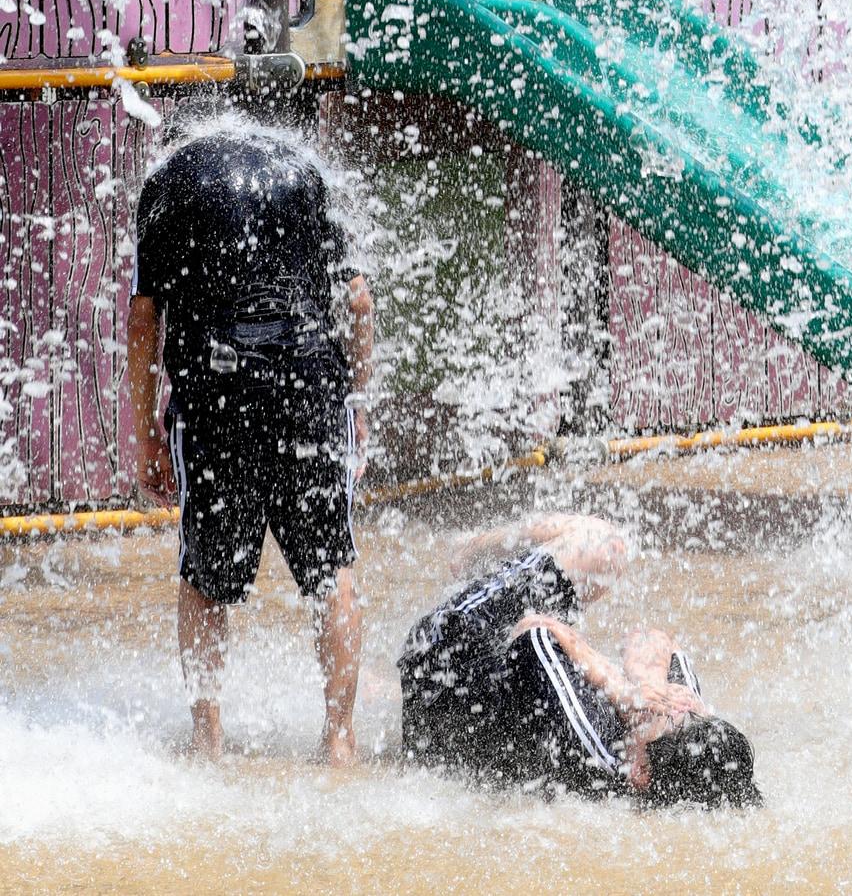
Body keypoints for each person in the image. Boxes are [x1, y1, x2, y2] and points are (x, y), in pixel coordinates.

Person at [127, 123, 374, 766]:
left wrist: (147, 437)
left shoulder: (167, 182)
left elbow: (142, 318)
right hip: (310, 385)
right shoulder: (304, 171)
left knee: (204, 577)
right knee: (333, 569)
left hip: (219, 392)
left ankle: (207, 740)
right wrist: (357, 402)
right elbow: (359, 300)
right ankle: (340, 738)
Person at [398, 513, 762, 807]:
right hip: (505, 680)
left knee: (598, 539)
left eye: (677, 720)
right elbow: (648, 636)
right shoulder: (685, 728)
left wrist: (622, 689)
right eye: (697, 713)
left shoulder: (595, 747)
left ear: (639, 771)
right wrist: (650, 682)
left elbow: (534, 628)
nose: (682, 709)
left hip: (445, 668)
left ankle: (468, 552)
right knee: (610, 552)